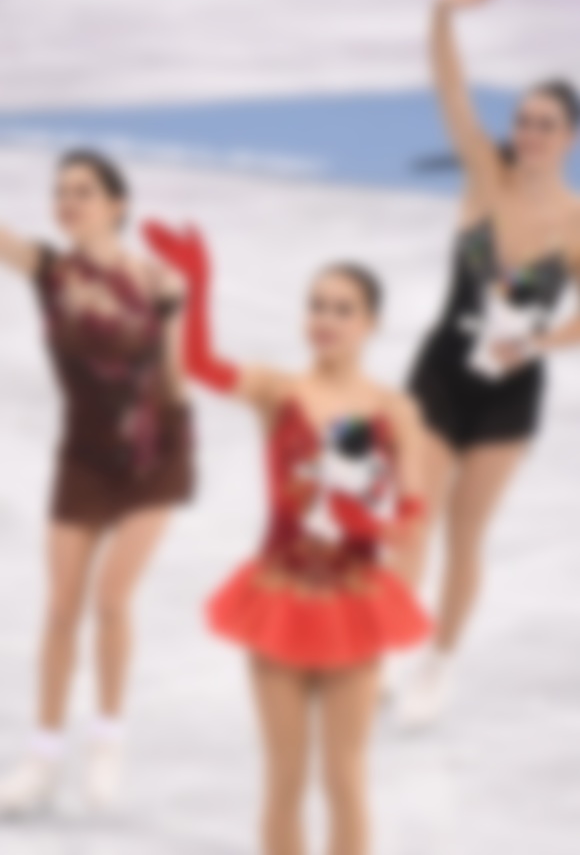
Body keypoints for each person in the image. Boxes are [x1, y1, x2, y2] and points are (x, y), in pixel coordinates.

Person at [144, 221, 431, 855]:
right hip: (280, 596)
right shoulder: (279, 391)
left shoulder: (396, 410)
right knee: (285, 780)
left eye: (343, 309)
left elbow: (413, 514)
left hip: (353, 601)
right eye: (316, 306)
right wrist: (196, 281)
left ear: (372, 322)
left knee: (344, 779)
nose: (325, 319)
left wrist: (374, 523)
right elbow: (197, 364)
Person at [399, 0, 580, 727]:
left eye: (546, 124)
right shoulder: (483, 174)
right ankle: (382, 647)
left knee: (464, 533)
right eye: (523, 120)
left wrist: (537, 340)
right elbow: (450, 87)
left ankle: (438, 665)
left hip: (509, 392)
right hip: (442, 372)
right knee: (412, 521)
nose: (529, 133)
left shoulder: (575, 223)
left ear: (570, 137)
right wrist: (442, 13)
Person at [0, 151, 193, 813]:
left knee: (111, 599)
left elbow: (173, 376)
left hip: (151, 454)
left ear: (117, 204)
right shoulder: (51, 272)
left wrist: (175, 454)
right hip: (82, 456)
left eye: (83, 190)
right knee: (61, 608)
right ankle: (42, 758)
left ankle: (107, 741)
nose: (68, 201)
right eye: (61, 191)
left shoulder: (158, 281)